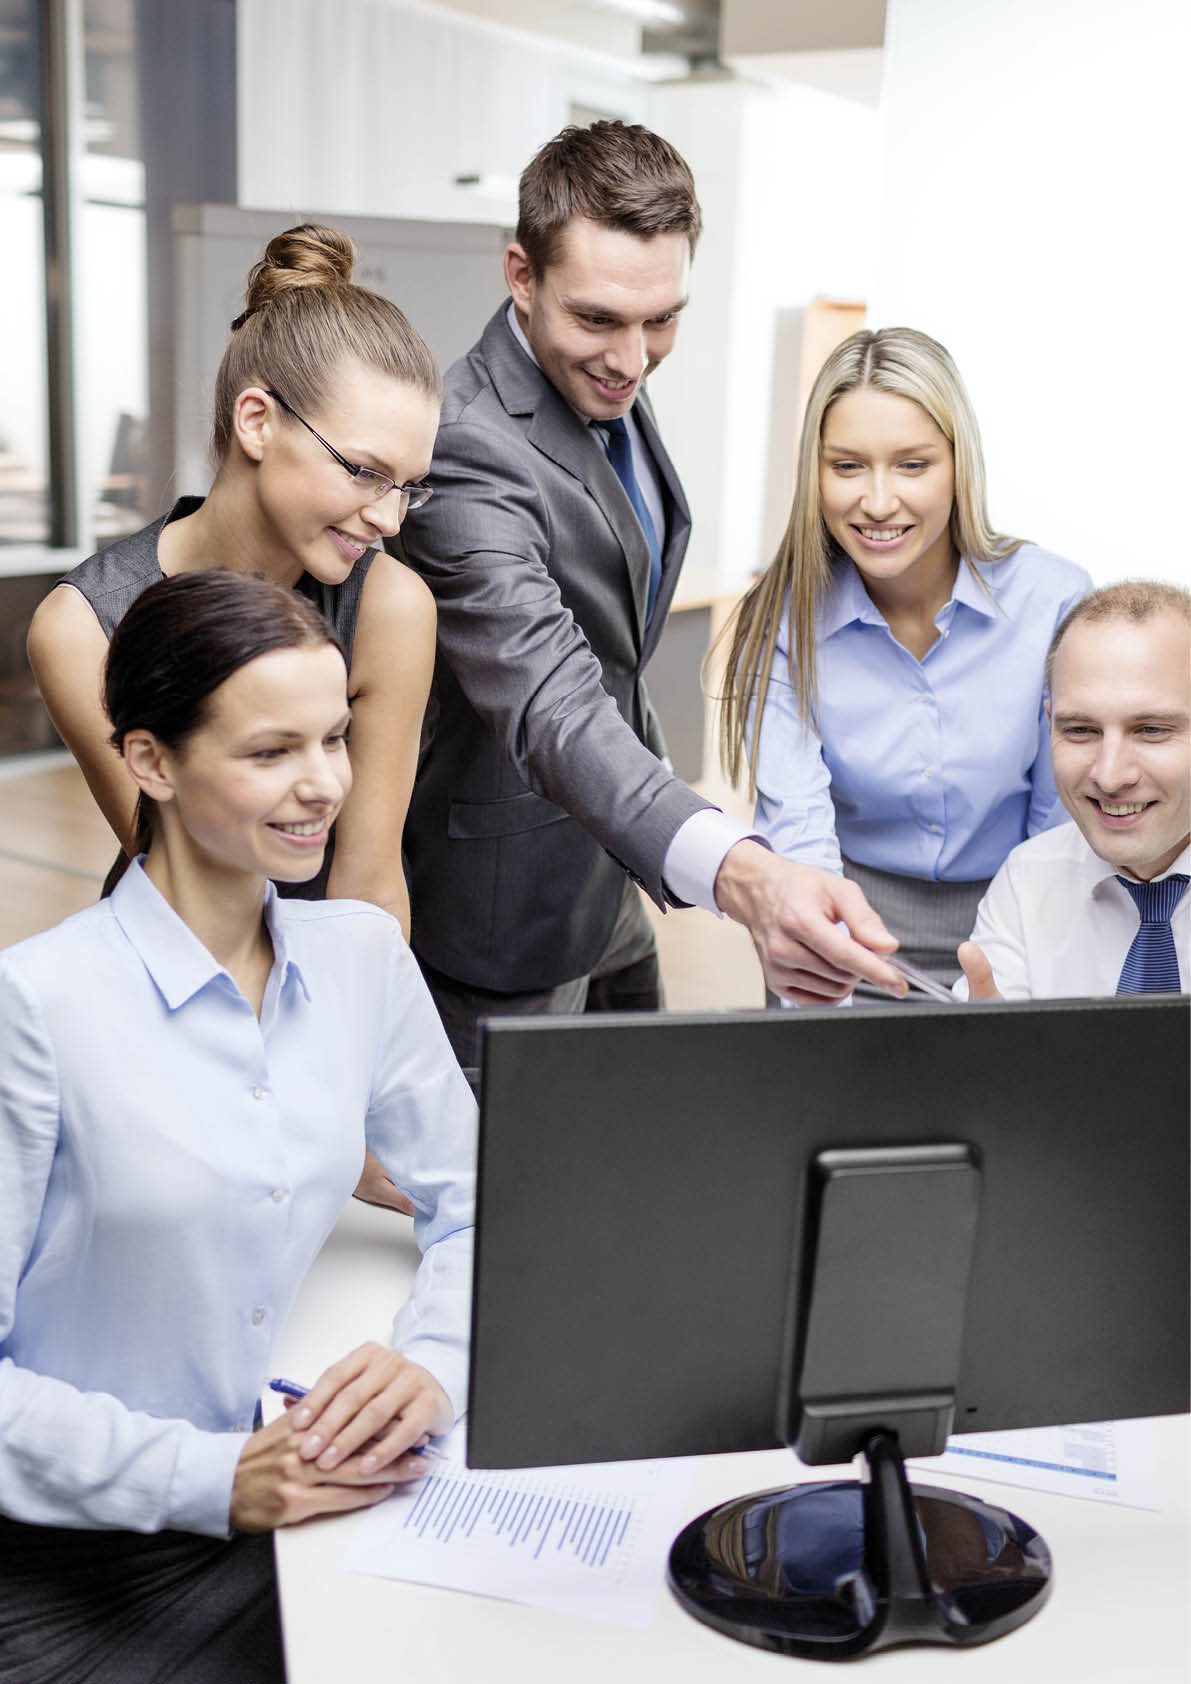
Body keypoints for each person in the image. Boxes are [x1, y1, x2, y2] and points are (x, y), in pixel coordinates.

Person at [0, 571, 476, 1684]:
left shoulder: (358, 956)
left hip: (302, 1513)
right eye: (272, 752)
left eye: (335, 739)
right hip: (80, 1554)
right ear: (150, 760)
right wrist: (209, 1478)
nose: (322, 786)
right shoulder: (35, 1005)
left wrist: (434, 1364)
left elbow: (485, 1197)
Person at [394, 120, 903, 1065]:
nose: (631, 359)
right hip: (503, 911)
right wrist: (743, 878)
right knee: (495, 1201)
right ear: (520, 276)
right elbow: (550, 698)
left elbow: (615, 648)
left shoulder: (604, 374)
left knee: (629, 1162)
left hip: (613, 877)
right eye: (597, 320)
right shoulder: (463, 445)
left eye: (660, 320)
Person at [28, 221, 439, 1207]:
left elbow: (371, 887)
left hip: (326, 1030)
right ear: (259, 422)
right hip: (164, 1017)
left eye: (409, 486)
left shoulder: (389, 604)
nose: (388, 515)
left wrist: (357, 1100)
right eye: (364, 471)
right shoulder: (82, 628)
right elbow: (182, 878)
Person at [719, 326, 1091, 988]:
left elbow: (1055, 837)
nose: (878, 501)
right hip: (840, 930)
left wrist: (1020, 983)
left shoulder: (1052, 601)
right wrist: (829, 988)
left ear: (958, 466)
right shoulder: (779, 619)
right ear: (815, 472)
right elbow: (799, 838)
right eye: (847, 466)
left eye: (912, 465)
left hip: (1020, 928)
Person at [957, 580, 1190, 1000]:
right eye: (1081, 730)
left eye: (1152, 730)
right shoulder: (1027, 880)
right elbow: (989, 1054)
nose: (1110, 775)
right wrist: (981, 1052)